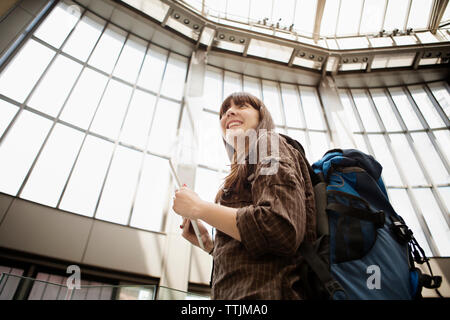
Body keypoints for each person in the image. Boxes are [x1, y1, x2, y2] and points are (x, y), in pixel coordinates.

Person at [172, 92, 316, 299]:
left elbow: (280, 227)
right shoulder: (242, 169)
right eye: (224, 111)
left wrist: (199, 208)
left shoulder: (268, 142)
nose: (229, 112)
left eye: (242, 106)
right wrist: (210, 245)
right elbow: (253, 260)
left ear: (261, 117)